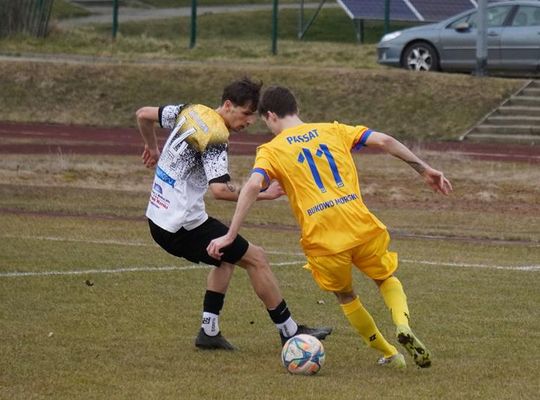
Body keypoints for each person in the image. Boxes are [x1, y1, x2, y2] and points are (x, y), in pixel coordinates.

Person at [207, 85, 453, 368]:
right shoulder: (333, 130)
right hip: (360, 224)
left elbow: (252, 185)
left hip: (323, 237)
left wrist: (231, 234)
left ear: (271, 115)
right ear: (296, 109)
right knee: (385, 278)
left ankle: (390, 354)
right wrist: (425, 169)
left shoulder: (271, 150)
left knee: (346, 295)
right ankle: (402, 324)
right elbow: (385, 141)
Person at [136, 79, 332, 351]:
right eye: (246, 113)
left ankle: (209, 331)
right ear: (228, 105)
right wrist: (263, 193)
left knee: (224, 258)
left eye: (253, 115)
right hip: (181, 225)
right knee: (257, 258)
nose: (250, 121)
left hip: (160, 218)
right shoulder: (216, 135)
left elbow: (143, 114)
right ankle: (290, 331)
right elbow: (220, 190)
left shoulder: (190, 110)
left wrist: (153, 147)